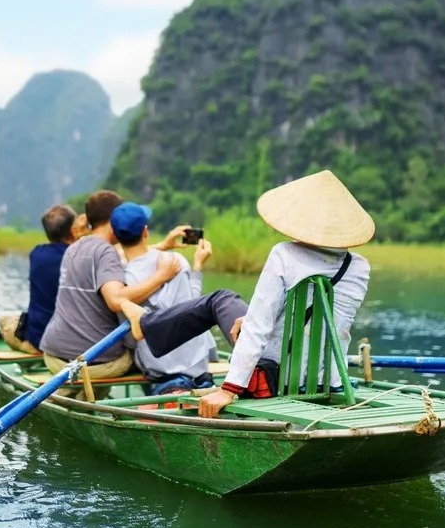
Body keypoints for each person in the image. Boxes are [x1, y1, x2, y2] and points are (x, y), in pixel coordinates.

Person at [119, 169, 374, 417]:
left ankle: (145, 324)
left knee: (220, 299)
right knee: (237, 311)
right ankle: (147, 324)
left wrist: (229, 389)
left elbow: (258, 328)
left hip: (274, 377)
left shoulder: (285, 255)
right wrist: (251, 317)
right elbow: (326, 322)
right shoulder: (360, 267)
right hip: (327, 379)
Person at [39, 190, 182, 385]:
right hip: (93, 363)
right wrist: (161, 276)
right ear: (113, 219)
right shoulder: (106, 252)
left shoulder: (75, 247)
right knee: (148, 355)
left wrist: (163, 245)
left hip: (54, 355)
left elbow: (118, 256)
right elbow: (115, 300)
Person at [110, 201, 216, 394]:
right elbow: (194, 306)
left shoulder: (120, 280)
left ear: (116, 237)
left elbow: (131, 339)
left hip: (158, 369)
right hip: (197, 365)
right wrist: (198, 266)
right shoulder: (175, 260)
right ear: (145, 231)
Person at [0, 203, 80, 353]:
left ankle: (29, 347)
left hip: (39, 338)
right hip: (72, 338)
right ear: (72, 230)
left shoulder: (36, 254)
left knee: (5, 321)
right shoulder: (80, 257)